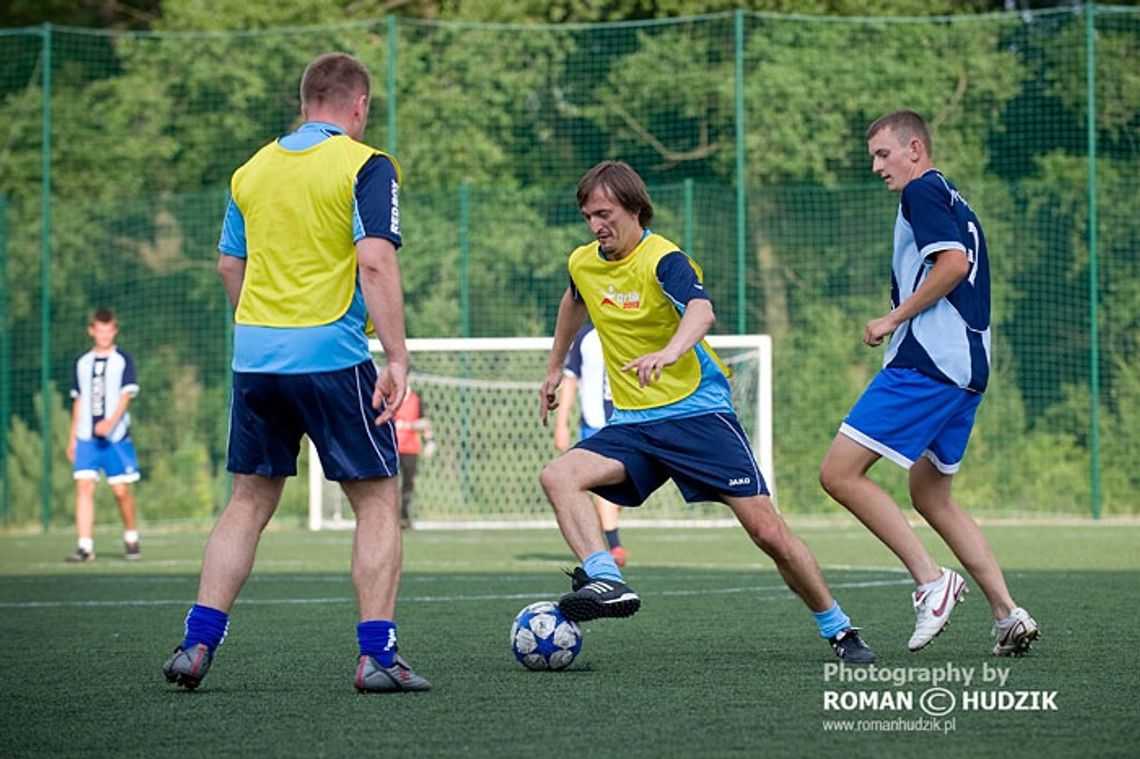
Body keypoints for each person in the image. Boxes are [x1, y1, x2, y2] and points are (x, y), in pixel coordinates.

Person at [162, 52, 430, 693]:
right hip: (332, 359)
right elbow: (374, 264)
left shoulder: (250, 170)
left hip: (255, 358)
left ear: (305, 101)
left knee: (248, 502)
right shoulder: (367, 165)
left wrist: (263, 330)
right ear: (358, 106)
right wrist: (396, 356)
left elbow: (231, 267)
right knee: (377, 501)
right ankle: (376, 657)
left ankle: (196, 645)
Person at [539, 160, 875, 664]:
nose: (595, 226)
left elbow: (702, 311)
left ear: (634, 208)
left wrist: (670, 352)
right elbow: (574, 302)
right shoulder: (583, 262)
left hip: (696, 414)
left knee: (767, 531)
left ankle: (840, 628)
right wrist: (552, 368)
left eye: (604, 214)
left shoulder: (665, 259)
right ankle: (606, 577)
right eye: (588, 216)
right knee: (558, 475)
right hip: (633, 424)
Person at [818, 110, 1039, 657]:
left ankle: (929, 580)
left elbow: (953, 266)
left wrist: (892, 320)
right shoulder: (952, 197)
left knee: (839, 473)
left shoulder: (921, 192)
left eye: (882, 154)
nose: (875, 166)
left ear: (915, 148)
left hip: (931, 361)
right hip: (968, 368)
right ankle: (1007, 614)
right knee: (930, 492)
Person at [65, 307, 141, 563]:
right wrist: (72, 436)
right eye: (100, 330)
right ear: (92, 331)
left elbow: (126, 395)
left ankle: (131, 536)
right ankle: (85, 546)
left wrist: (110, 422)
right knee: (84, 486)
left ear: (114, 331)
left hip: (115, 437)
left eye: (109, 331)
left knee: (120, 490)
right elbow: (78, 400)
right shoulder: (83, 363)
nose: (104, 335)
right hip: (86, 437)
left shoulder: (123, 360)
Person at [553, 322, 627, 566]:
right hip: (595, 427)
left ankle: (603, 535)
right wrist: (561, 423)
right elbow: (571, 380)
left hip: (628, 424)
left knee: (620, 491)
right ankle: (613, 546)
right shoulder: (584, 336)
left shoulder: (630, 330)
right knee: (602, 486)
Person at [394, 386, 435, 529]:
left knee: (408, 483)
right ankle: (390, 517)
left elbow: (424, 422)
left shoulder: (416, 399)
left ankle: (404, 517)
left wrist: (430, 441)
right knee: (390, 484)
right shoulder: (389, 397)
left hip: (411, 448)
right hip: (392, 448)